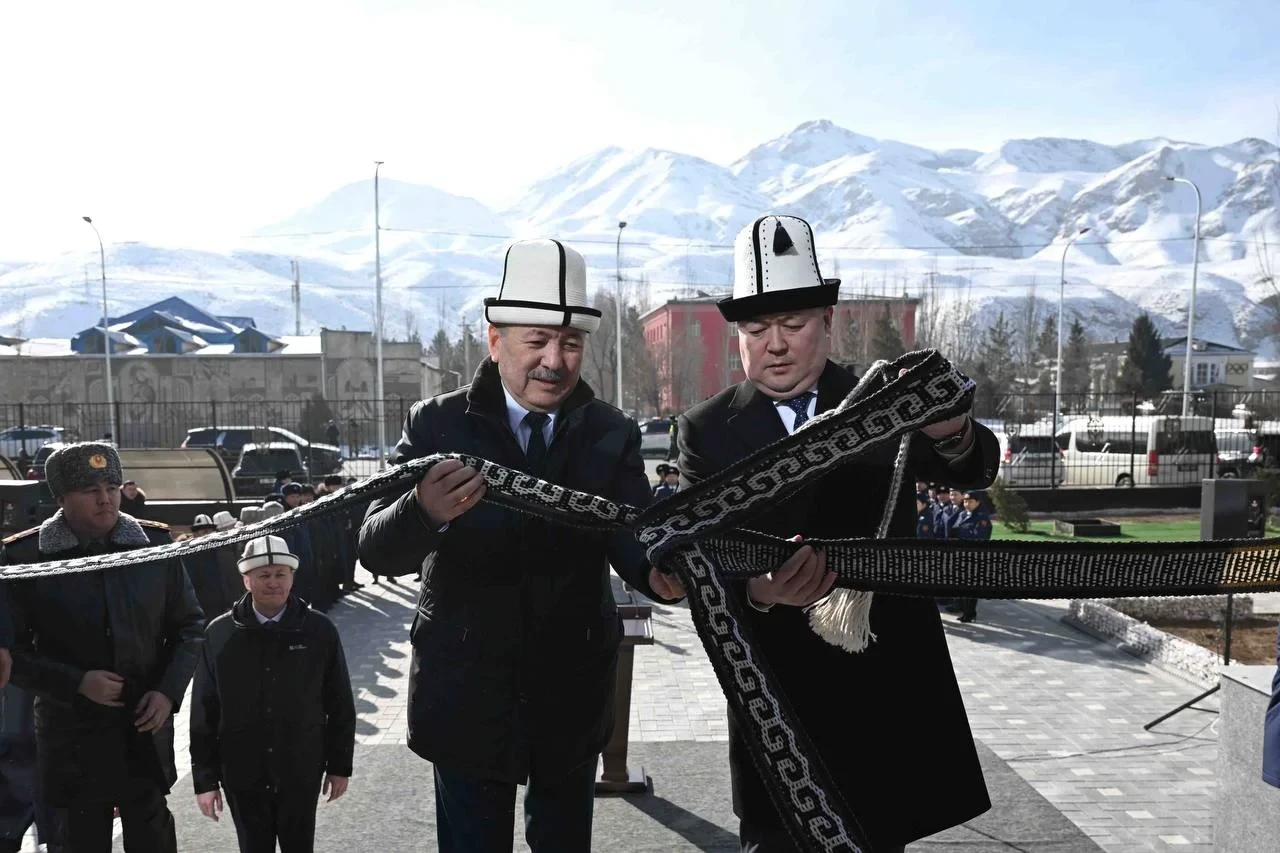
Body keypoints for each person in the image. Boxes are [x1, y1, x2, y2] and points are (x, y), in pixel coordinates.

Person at [676, 215, 1000, 853]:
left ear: (827, 321)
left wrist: (951, 429)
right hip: (775, 698)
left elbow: (973, 466)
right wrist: (759, 592)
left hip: (879, 688)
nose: (775, 344)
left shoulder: (883, 400)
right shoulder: (705, 429)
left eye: (792, 324)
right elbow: (697, 556)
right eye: (756, 329)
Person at [358, 238, 685, 853]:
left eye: (570, 344)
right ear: (495, 340)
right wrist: (422, 512)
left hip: (571, 692)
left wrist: (657, 573)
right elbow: (375, 549)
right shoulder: (436, 424)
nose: (554, 362)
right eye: (536, 341)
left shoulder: (610, 431)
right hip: (466, 695)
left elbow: (632, 532)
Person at [2, 441, 205, 853]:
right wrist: (76, 683)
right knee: (79, 838)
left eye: (111, 487)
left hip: (143, 728)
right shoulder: (26, 557)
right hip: (71, 736)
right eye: (90, 490)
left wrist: (166, 693)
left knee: (152, 835)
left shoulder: (153, 546)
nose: (105, 499)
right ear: (61, 498)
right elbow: (10, 657)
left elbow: (189, 627)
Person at [190, 534, 355, 853]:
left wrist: (339, 765)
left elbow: (340, 703)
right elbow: (203, 711)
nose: (273, 583)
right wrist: (205, 780)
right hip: (242, 771)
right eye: (263, 575)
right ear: (246, 580)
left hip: (301, 767)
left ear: (292, 577)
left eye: (281, 574)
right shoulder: (220, 634)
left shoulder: (318, 630)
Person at [946, 490, 992, 623]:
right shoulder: (962, 514)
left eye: (970, 501)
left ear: (977, 502)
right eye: (965, 501)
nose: (967, 504)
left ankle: (970, 613)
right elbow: (954, 529)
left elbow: (980, 538)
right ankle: (962, 608)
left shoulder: (982, 518)